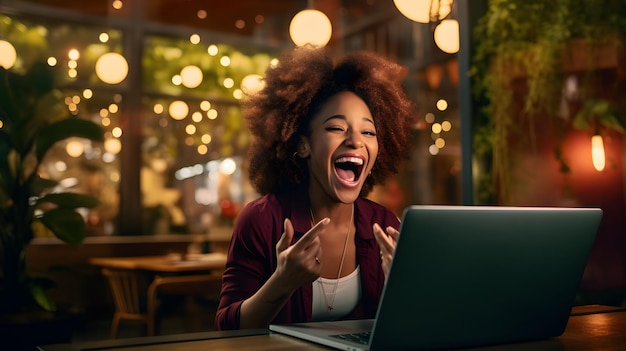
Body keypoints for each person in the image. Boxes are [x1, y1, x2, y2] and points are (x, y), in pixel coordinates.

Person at [215, 45, 417, 330]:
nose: (356, 141)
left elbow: (408, 328)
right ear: (303, 145)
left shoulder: (385, 224)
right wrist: (281, 283)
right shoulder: (261, 220)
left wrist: (404, 289)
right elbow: (226, 329)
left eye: (368, 132)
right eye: (337, 128)